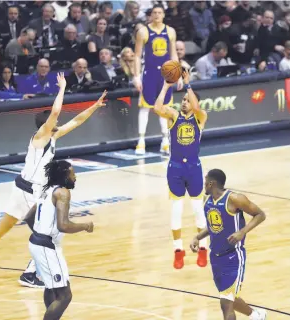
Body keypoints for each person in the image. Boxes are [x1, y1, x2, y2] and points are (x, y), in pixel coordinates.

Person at [0, 74, 107, 287]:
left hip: (21, 187)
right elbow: (56, 111)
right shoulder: (41, 136)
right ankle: (30, 274)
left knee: (4, 225)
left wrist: (95, 106)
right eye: (53, 121)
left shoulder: (53, 137)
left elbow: (76, 121)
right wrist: (62, 88)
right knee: (49, 232)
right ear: (46, 124)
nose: (57, 121)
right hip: (31, 192)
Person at [190, 169, 267, 320]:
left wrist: (242, 232)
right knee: (229, 297)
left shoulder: (235, 199)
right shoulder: (208, 201)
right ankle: (256, 315)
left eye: (205, 181)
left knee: (226, 303)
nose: (203, 184)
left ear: (211, 183)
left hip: (233, 256)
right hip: (216, 257)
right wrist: (197, 237)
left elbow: (260, 215)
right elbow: (213, 226)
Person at [153, 70, 208, 269]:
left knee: (197, 210)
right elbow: (157, 107)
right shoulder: (174, 116)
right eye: (182, 100)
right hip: (175, 168)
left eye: (186, 100)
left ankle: (203, 248)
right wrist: (166, 86)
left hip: (194, 168)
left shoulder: (201, 117)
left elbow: (196, 105)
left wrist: (188, 84)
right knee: (176, 211)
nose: (183, 102)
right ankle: (178, 250)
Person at [26, 160, 94, 320]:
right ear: (64, 176)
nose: (75, 177)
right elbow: (63, 225)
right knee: (64, 295)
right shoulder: (62, 193)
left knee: (51, 288)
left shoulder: (47, 190)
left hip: (36, 243)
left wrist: (39, 234)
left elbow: (29, 217)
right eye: (72, 174)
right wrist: (85, 225)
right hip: (47, 247)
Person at [133, 4, 181, 156]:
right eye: (154, 12)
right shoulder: (143, 31)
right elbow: (137, 55)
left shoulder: (170, 31)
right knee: (145, 107)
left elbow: (174, 55)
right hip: (149, 73)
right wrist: (135, 76)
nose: (157, 15)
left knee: (165, 107)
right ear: (151, 15)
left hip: (165, 75)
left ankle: (165, 142)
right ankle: (141, 141)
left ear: (164, 15)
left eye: (160, 12)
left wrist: (178, 73)